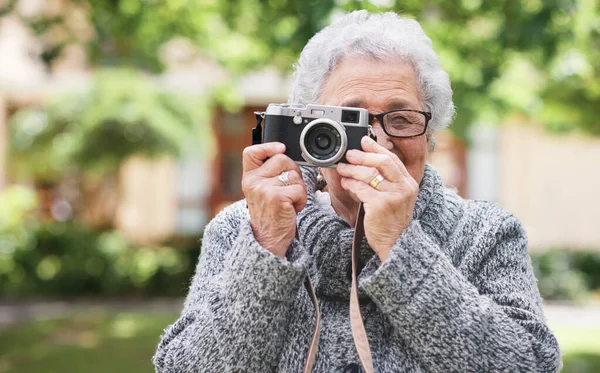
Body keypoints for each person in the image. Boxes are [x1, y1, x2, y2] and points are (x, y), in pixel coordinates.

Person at [153, 10, 561, 373]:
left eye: (401, 119)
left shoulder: (485, 233)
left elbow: (530, 364)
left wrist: (403, 247)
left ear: (430, 134)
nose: (379, 141)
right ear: (310, 130)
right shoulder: (241, 229)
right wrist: (267, 247)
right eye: (353, 120)